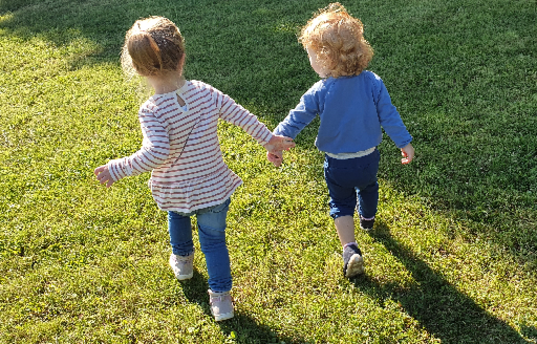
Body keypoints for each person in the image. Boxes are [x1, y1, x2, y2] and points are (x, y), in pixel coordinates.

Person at [94, 16, 294, 321]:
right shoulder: (205, 91)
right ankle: (222, 300)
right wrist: (269, 141)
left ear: (137, 68)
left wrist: (118, 168)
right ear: (182, 56)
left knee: (177, 215)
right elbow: (240, 116)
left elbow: (157, 152)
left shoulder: (152, 110)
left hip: (177, 188)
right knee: (213, 241)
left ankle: (184, 262)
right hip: (214, 187)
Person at [268, 3, 415, 278]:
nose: (310, 61)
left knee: (340, 202)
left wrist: (276, 141)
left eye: (311, 55)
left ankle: (350, 248)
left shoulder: (320, 90)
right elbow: (389, 115)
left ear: (326, 59)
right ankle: (368, 220)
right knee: (369, 186)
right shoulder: (373, 82)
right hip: (368, 158)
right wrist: (404, 142)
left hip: (337, 164)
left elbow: (296, 118)